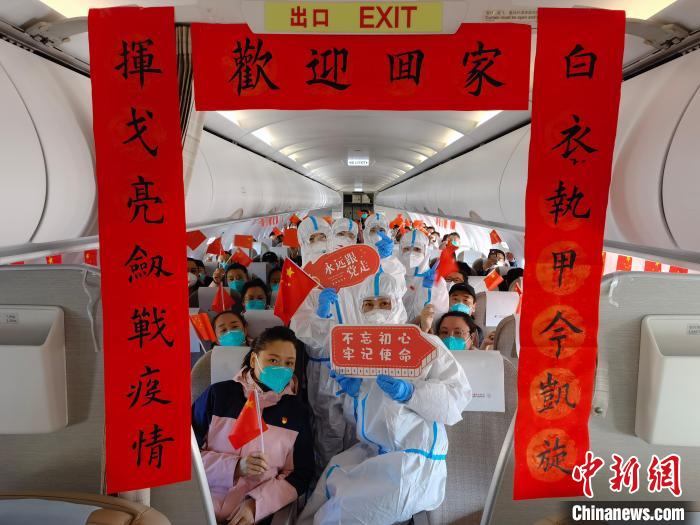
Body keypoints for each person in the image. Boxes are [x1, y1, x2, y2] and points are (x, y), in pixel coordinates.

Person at [298, 270, 472, 524]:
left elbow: (457, 398)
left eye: (384, 303)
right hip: (372, 450)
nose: (376, 310)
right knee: (326, 487)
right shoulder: (362, 350)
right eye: (368, 304)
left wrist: (412, 393)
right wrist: (356, 395)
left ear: (398, 304)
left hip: (413, 460)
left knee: (339, 515)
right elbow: (369, 418)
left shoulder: (427, 344)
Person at [193, 327, 315, 524]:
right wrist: (234, 467)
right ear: (253, 360)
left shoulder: (296, 412)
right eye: (273, 360)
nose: (281, 368)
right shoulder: (218, 395)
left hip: (256, 516)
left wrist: (256, 505)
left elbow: (300, 474)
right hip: (200, 503)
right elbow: (184, 455)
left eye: (289, 363)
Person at [399, 229, 449, 323]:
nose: (411, 254)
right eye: (406, 249)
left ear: (426, 252)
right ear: (400, 251)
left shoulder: (436, 281)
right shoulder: (395, 277)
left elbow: (439, 317)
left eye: (417, 249)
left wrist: (429, 292)